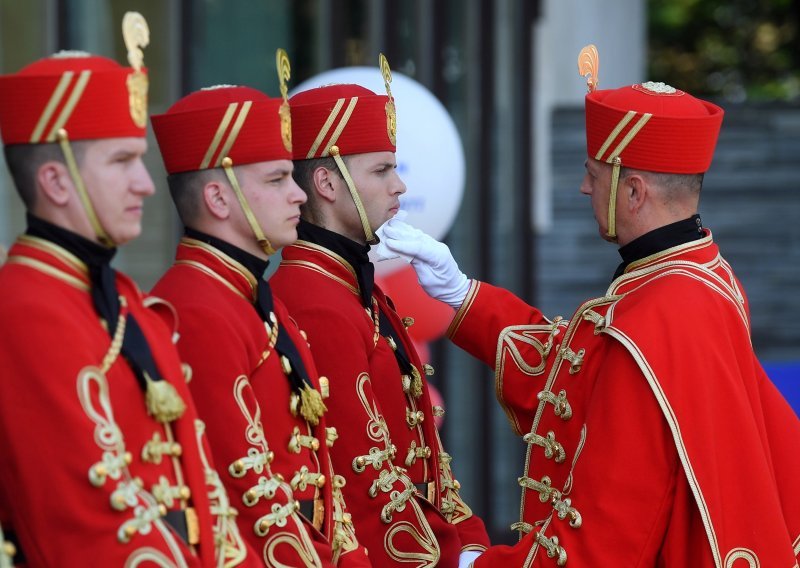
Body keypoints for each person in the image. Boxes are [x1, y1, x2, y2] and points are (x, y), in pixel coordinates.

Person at [378, 45, 800, 566]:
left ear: (635, 192)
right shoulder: (700, 273)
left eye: (595, 175)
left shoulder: (655, 318)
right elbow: (578, 368)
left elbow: (606, 538)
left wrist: (476, 564)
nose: (583, 188)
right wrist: (463, 294)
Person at [0, 13, 256, 567]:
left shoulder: (126, 304)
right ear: (56, 181)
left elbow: (209, 501)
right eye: (122, 161)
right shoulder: (23, 311)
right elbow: (91, 531)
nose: (145, 182)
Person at [149, 51, 370, 567]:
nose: (298, 196)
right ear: (218, 200)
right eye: (276, 181)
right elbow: (248, 497)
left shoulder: (252, 297)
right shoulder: (196, 308)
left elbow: (323, 478)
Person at [270, 55, 490, 568]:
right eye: (383, 170)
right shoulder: (312, 299)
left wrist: (469, 541)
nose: (400, 186)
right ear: (326, 184)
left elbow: (426, 458)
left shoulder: (355, 287)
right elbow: (366, 485)